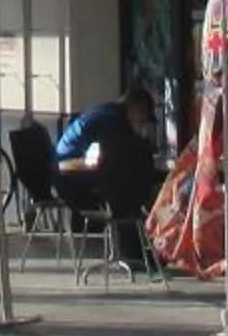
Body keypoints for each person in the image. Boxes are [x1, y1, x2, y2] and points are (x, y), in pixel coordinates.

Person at [54, 84, 159, 268]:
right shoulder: (114, 121)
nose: (142, 124)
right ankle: (134, 253)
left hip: (68, 175)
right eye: (142, 120)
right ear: (136, 108)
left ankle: (135, 250)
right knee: (126, 190)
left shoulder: (105, 112)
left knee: (124, 185)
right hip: (72, 180)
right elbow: (123, 153)